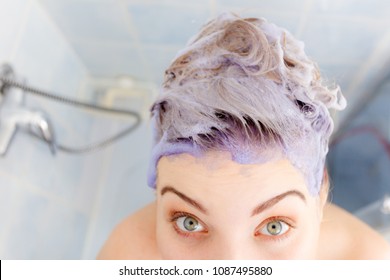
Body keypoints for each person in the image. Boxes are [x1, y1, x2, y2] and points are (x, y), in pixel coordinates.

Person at [97, 12, 390, 259]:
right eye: (189, 223)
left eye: (275, 226)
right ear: (158, 192)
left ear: (320, 196)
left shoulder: (369, 262)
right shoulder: (125, 254)